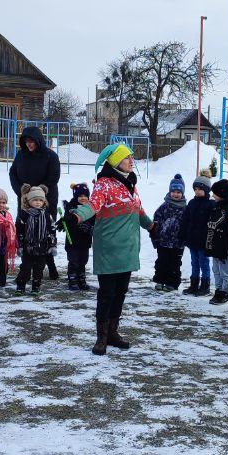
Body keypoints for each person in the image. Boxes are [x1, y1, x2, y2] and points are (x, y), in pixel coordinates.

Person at [70, 144, 153, 354]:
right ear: (115, 162)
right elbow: (93, 206)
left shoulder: (131, 184)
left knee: (121, 292)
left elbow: (139, 210)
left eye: (131, 157)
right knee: (106, 293)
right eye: (126, 158)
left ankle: (113, 332)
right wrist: (76, 215)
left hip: (128, 248)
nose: (131, 160)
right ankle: (102, 337)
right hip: (109, 248)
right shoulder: (104, 184)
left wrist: (152, 226)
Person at [9, 124, 61, 237]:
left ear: (38, 140)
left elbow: (54, 176)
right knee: (24, 227)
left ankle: (47, 251)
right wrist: (20, 191)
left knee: (45, 228)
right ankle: (25, 252)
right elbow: (13, 173)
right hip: (25, 198)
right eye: (26, 141)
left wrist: (41, 190)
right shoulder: (21, 155)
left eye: (31, 141)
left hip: (45, 198)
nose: (29, 144)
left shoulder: (50, 156)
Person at [15, 185, 57, 294]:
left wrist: (52, 245)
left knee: (39, 269)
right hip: (27, 247)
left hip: (42, 247)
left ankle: (36, 287)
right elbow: (19, 231)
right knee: (25, 268)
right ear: (29, 201)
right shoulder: (24, 215)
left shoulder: (47, 216)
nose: (38, 202)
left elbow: (52, 230)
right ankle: (21, 286)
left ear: (44, 201)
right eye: (35, 200)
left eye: (40, 200)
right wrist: (19, 246)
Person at [205, 179, 228, 305]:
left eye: (214, 193)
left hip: (224, 248)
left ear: (221, 193)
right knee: (216, 269)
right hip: (215, 246)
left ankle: (225, 292)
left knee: (225, 271)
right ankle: (218, 290)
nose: (212, 195)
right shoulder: (217, 206)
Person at [151, 174, 187, 292]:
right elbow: (156, 221)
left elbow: (188, 224)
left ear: (182, 193)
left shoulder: (185, 209)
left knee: (175, 264)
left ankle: (172, 283)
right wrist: (155, 236)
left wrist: (185, 237)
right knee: (162, 262)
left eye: (178, 192)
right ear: (169, 191)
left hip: (178, 243)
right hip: (164, 241)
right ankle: (160, 281)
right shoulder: (164, 207)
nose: (176, 194)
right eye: (173, 191)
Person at [180, 175, 213, 296]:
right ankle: (194, 285)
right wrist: (183, 235)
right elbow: (185, 220)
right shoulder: (192, 203)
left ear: (207, 190)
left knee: (204, 263)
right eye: (195, 189)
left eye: (200, 189)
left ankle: (205, 286)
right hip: (192, 239)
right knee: (194, 262)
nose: (197, 191)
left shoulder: (210, 204)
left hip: (204, 240)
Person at [61, 183, 94, 291]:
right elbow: (68, 221)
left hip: (85, 241)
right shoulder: (71, 207)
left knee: (83, 261)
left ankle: (81, 280)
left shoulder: (91, 208)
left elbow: (94, 222)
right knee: (74, 261)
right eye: (80, 196)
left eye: (85, 196)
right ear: (76, 197)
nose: (83, 198)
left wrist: (89, 228)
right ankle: (72, 280)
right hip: (73, 241)